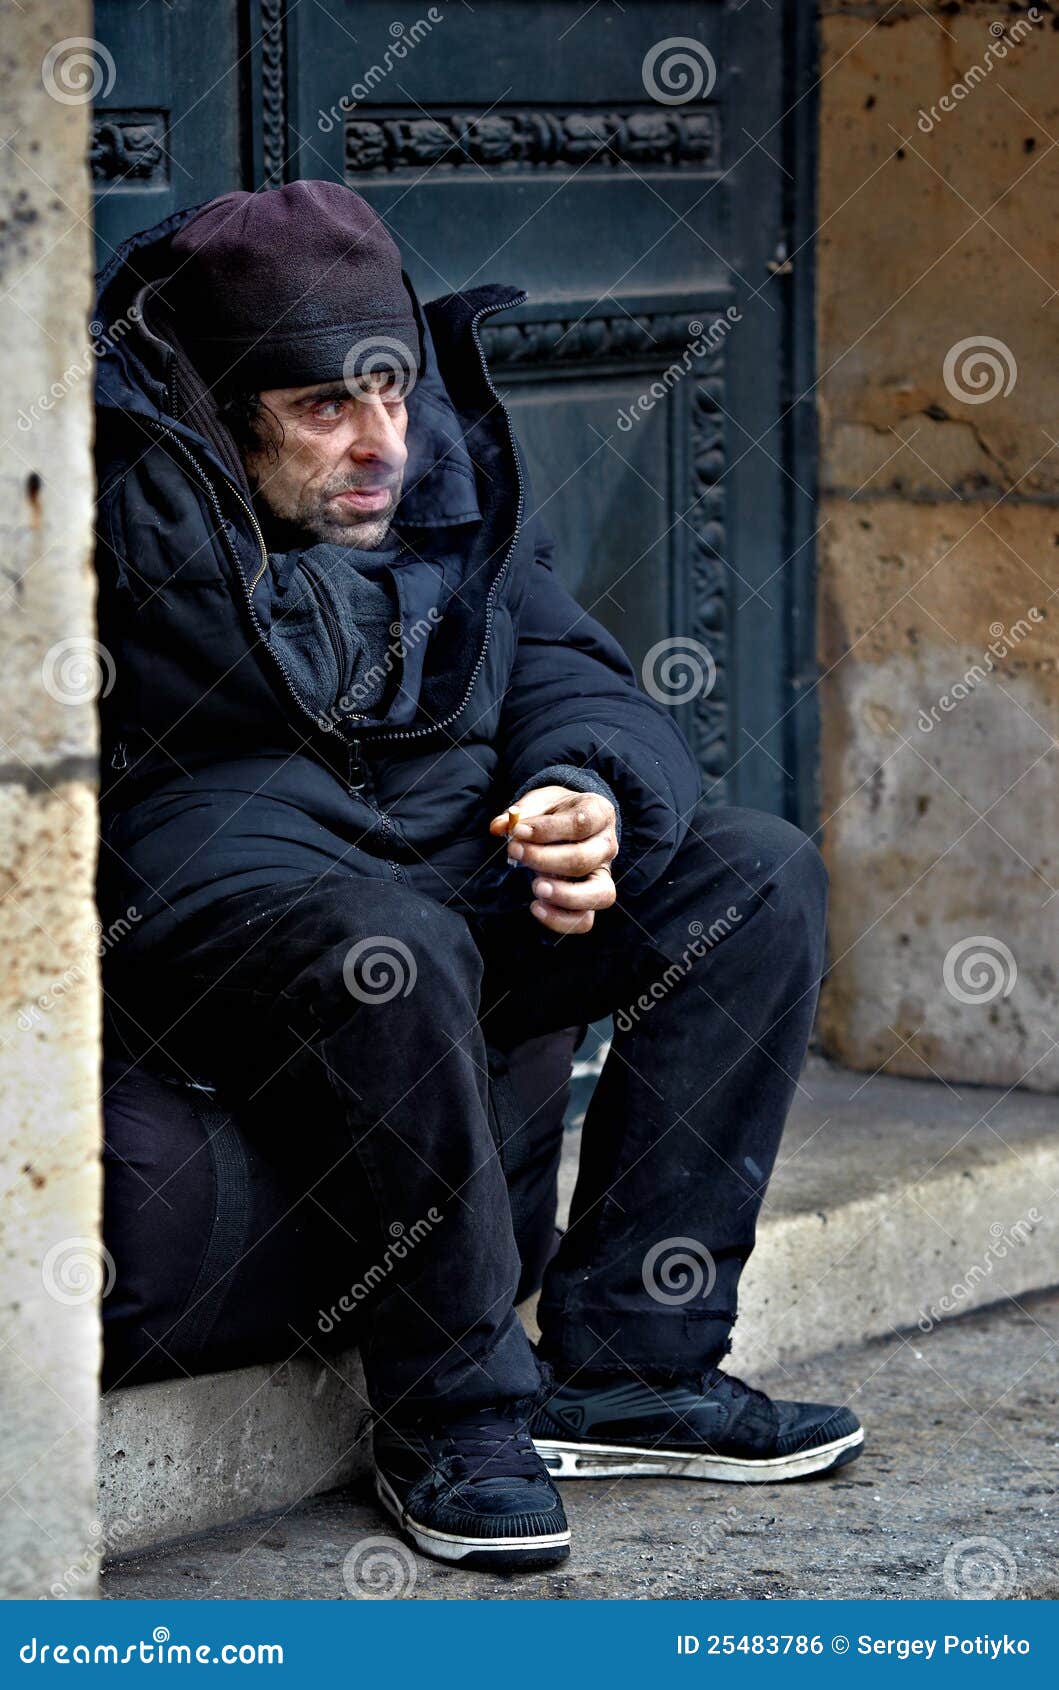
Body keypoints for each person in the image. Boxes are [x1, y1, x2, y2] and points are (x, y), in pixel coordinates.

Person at [93, 180, 862, 1574]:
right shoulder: (95, 508)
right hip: (234, 917)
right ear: (221, 406)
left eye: (392, 387)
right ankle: (449, 1416)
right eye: (327, 406)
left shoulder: (440, 475)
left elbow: (568, 663)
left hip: (447, 875)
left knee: (757, 871)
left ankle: (636, 1357)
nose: (382, 440)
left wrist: (586, 791)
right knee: (390, 945)